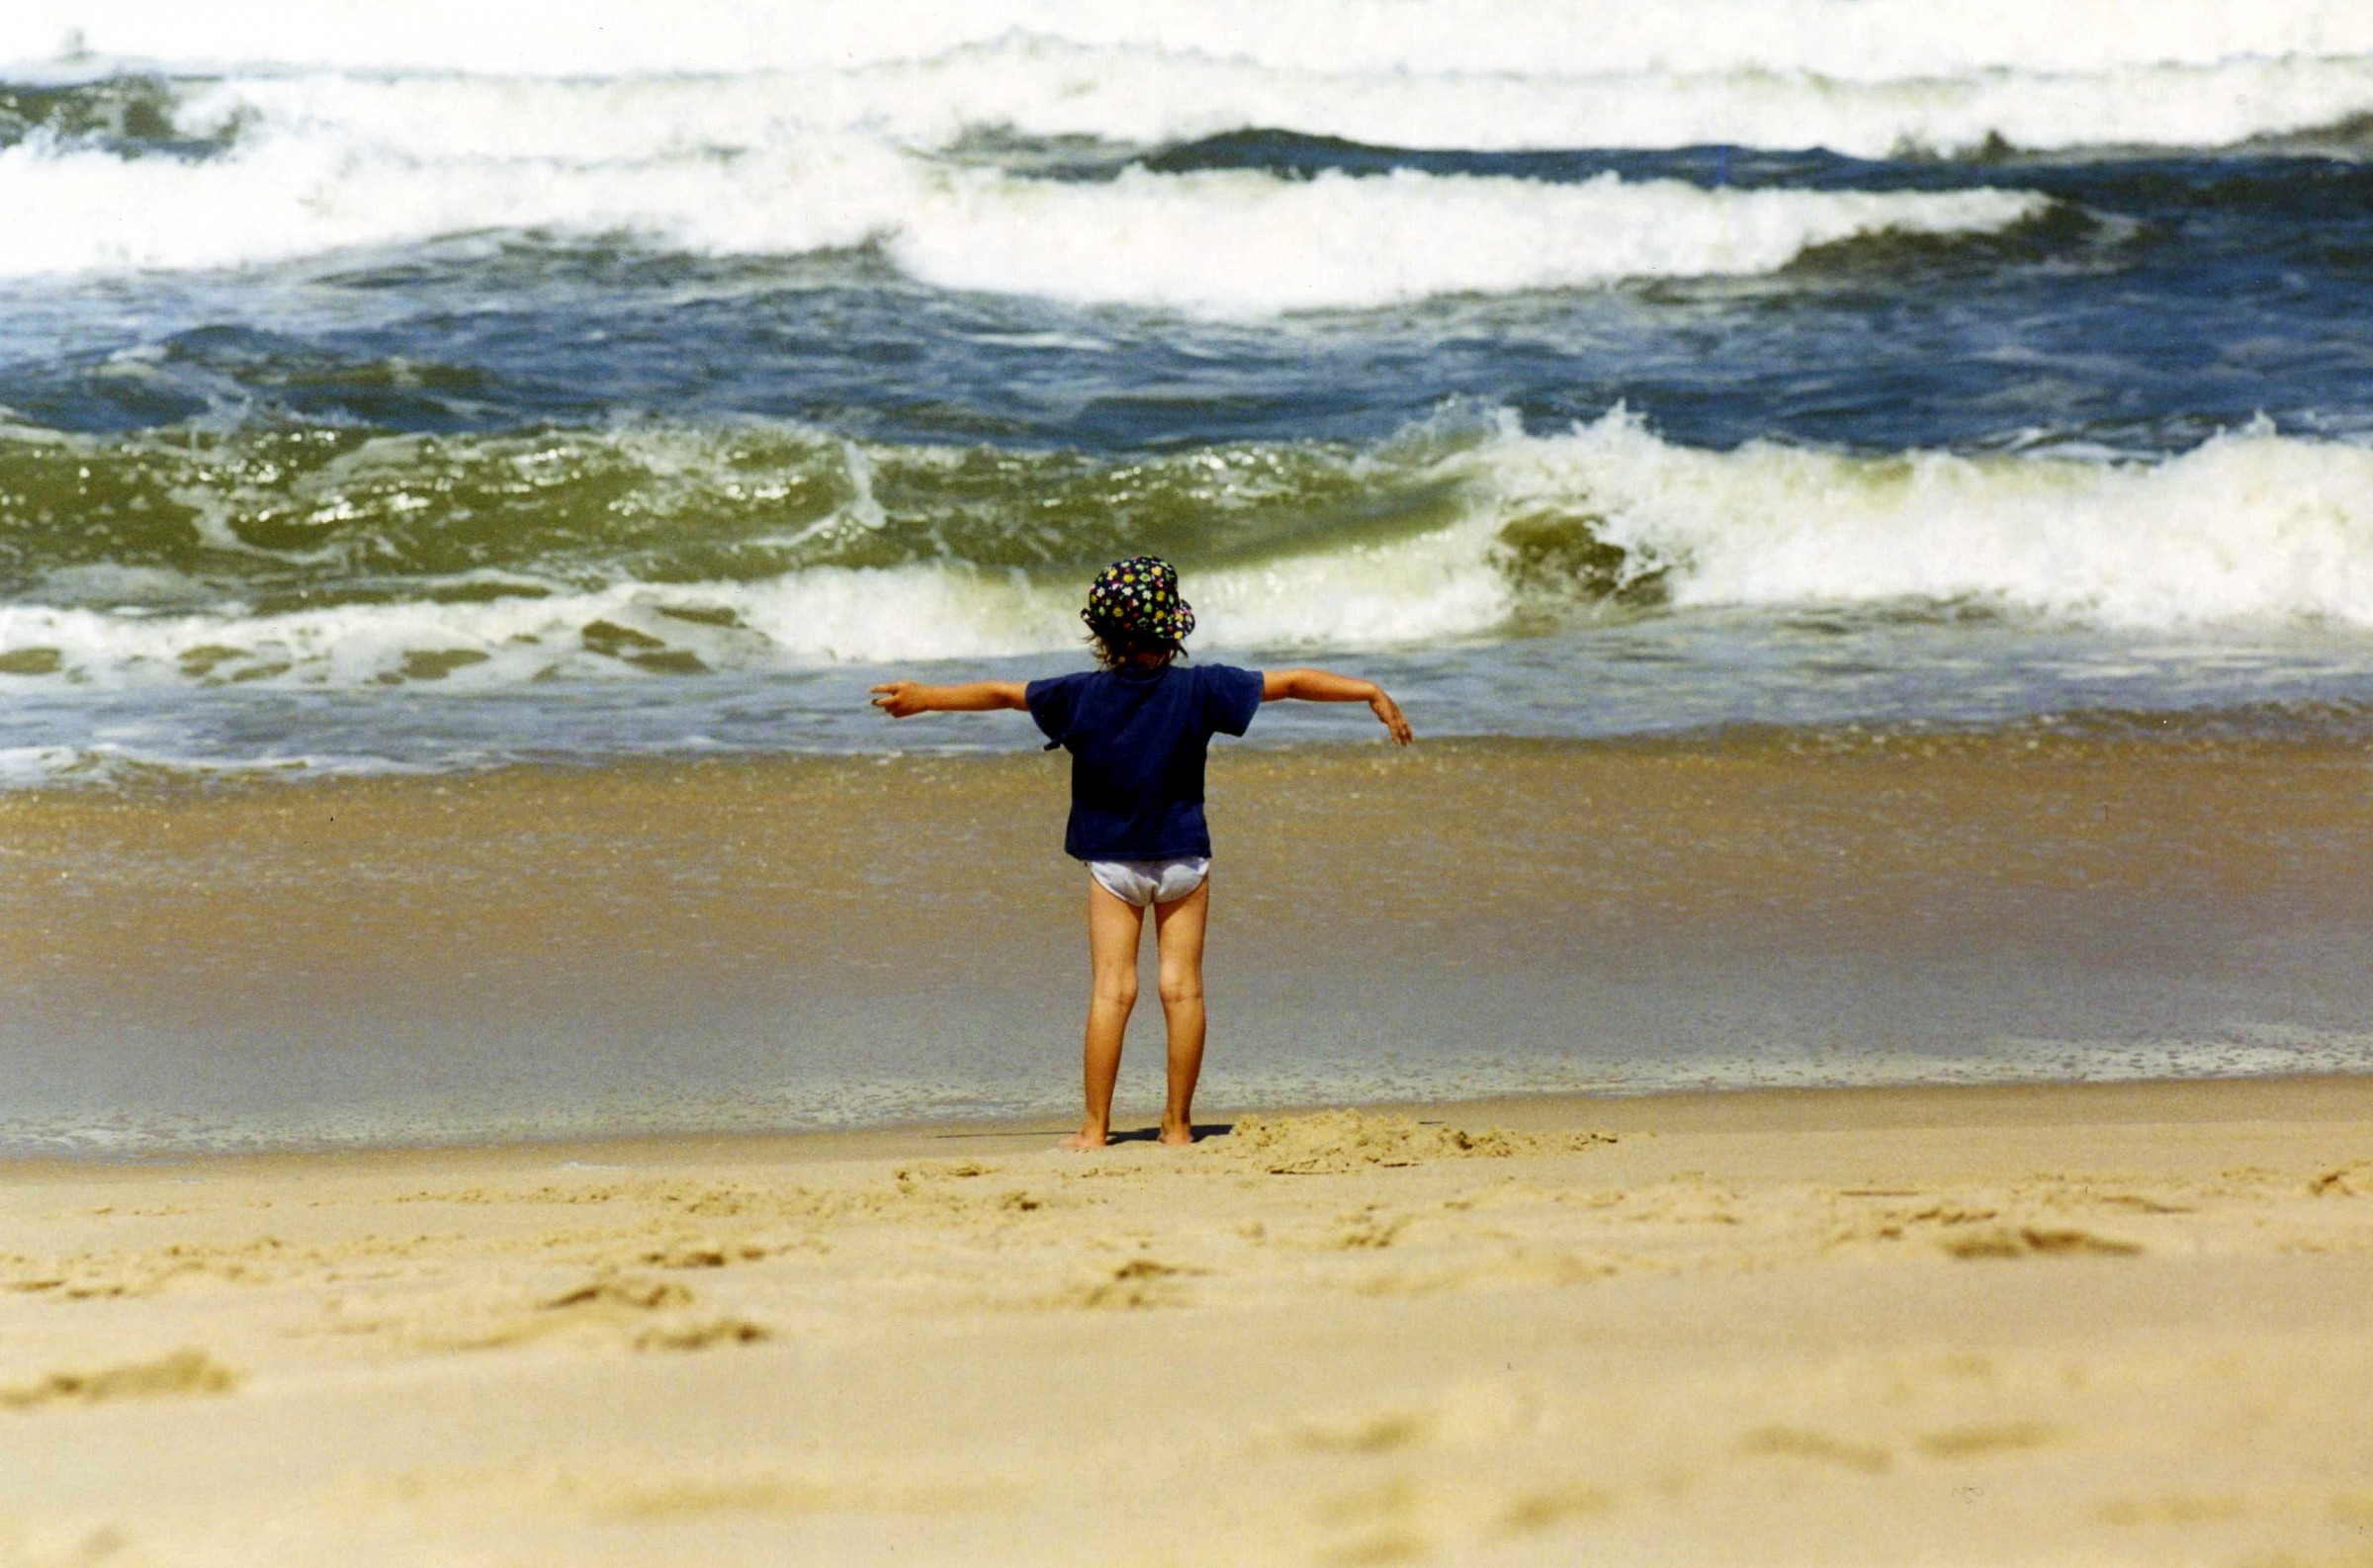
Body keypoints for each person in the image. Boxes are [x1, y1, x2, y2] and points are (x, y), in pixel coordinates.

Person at [869, 556, 1413, 1149]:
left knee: (1112, 991)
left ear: (1102, 636)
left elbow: (1001, 694)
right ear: (1172, 631)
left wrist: (925, 697)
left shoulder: (1079, 695)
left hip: (1113, 863)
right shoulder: (1202, 688)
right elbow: (1289, 683)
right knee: (1182, 990)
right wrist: (1369, 691)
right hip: (1184, 859)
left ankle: (1095, 1127)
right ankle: (1178, 1126)